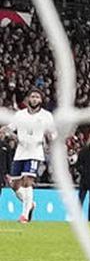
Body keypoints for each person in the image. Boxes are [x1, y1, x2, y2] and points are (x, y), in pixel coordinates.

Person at [3, 89, 56, 223]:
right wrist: (7, 132)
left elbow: (53, 133)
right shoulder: (20, 115)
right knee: (15, 185)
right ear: (28, 99)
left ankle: (24, 215)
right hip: (20, 151)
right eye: (32, 96)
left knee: (27, 180)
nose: (34, 99)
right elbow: (10, 128)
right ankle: (30, 204)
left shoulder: (46, 116)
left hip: (35, 151)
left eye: (37, 97)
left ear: (41, 100)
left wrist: (50, 139)